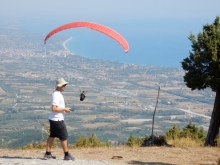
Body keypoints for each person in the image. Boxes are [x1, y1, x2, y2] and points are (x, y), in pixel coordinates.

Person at [44, 78, 74, 160]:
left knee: (52, 135)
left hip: (53, 119)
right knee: (64, 137)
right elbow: (54, 108)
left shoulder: (56, 93)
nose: (65, 86)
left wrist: (65, 109)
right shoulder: (57, 95)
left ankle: (48, 153)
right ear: (59, 86)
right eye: (64, 85)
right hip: (57, 120)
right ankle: (66, 155)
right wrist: (65, 109)